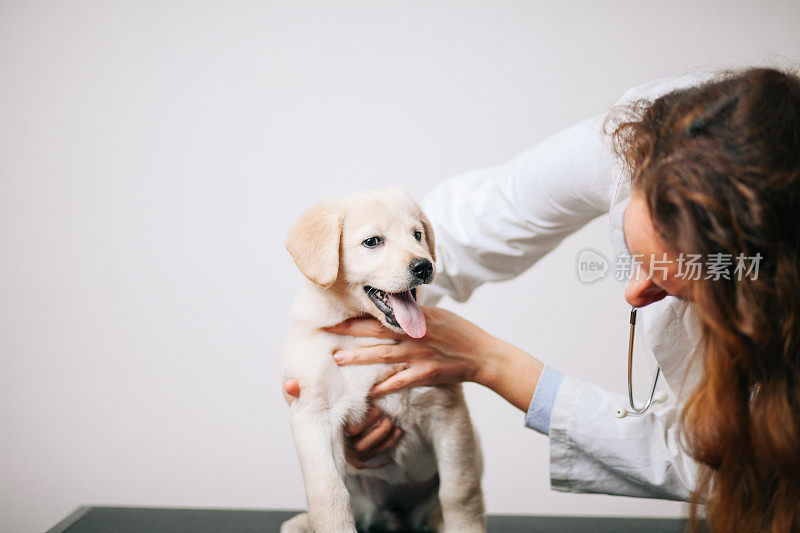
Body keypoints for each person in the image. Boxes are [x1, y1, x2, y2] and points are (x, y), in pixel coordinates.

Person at [284, 67, 800, 532]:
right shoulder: (645, 137)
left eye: (676, 282)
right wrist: (355, 365)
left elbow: (706, 461)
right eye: (637, 257)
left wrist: (495, 362)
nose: (635, 290)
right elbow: (473, 224)